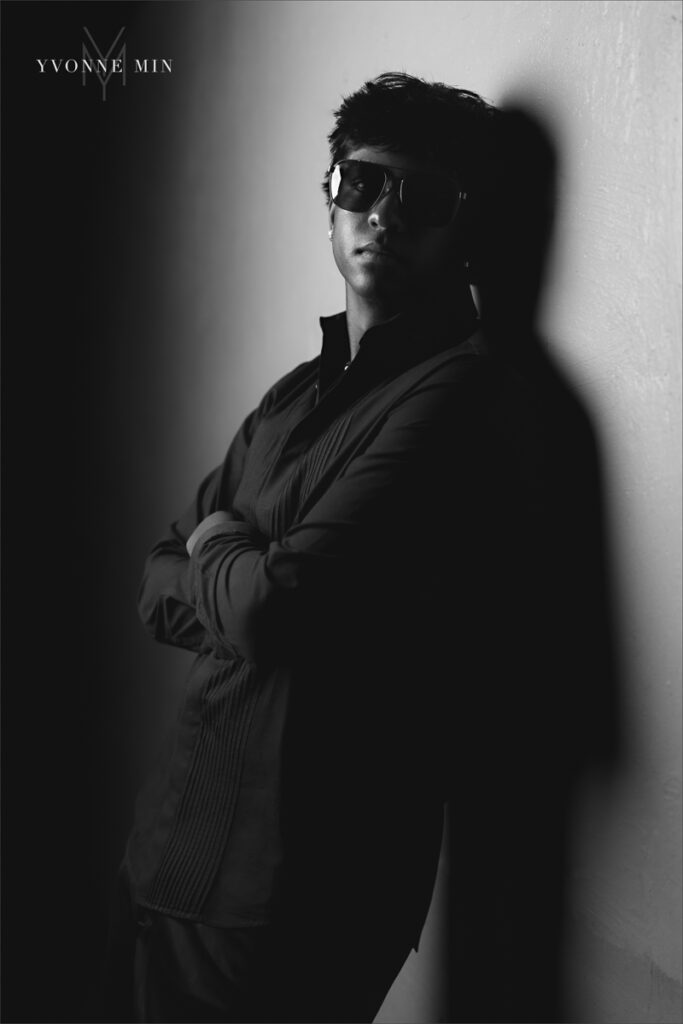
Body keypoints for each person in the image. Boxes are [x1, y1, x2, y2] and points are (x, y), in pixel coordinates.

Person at [102, 71, 547, 1023]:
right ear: (330, 195)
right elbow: (152, 585)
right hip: (171, 850)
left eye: (422, 199)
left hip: (298, 893)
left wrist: (220, 551)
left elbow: (273, 610)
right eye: (361, 184)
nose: (382, 215)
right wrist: (239, 566)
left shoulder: (458, 396)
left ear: (467, 233)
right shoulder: (291, 396)